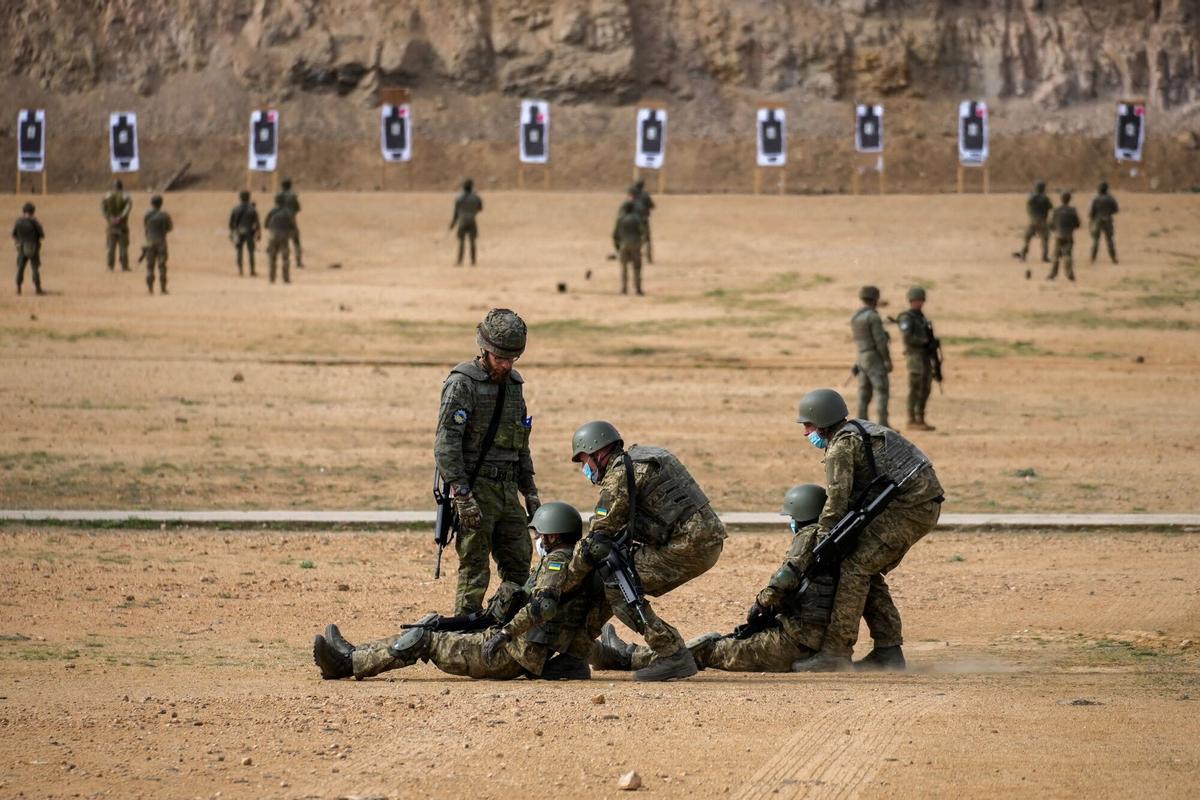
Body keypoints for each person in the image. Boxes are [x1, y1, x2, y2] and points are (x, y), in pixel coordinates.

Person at [313, 502, 604, 681]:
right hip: (511, 647)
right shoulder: (567, 564)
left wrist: (504, 634)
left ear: (553, 535)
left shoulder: (557, 565)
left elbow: (544, 608)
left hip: (508, 654)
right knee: (428, 624)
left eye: (540, 534)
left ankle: (347, 664)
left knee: (423, 639)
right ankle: (356, 653)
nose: (538, 539)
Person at [594, 484, 837, 673]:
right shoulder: (827, 547)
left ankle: (625, 657)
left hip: (791, 644)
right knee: (721, 640)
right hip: (801, 637)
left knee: (707, 648)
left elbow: (785, 578)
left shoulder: (809, 537)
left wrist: (762, 603)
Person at [561, 420, 727, 681]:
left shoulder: (619, 476)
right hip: (701, 539)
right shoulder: (639, 458)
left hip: (689, 545)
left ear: (599, 452)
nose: (585, 469)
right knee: (611, 570)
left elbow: (598, 538)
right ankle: (576, 653)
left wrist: (563, 581)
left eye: (585, 461)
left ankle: (672, 654)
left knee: (618, 581)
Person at [791, 388, 944, 672]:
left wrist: (821, 544)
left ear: (822, 421)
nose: (805, 433)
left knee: (854, 567)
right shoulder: (855, 431)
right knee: (863, 564)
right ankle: (888, 650)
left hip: (912, 507)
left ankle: (836, 653)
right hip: (912, 502)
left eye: (808, 425)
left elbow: (836, 503)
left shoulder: (841, 447)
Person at [434, 308, 539, 615]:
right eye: (500, 358)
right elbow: (446, 443)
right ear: (486, 350)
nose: (505, 365)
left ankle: (507, 626)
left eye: (511, 359)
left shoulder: (514, 385)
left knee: (521, 562)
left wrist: (530, 491)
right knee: (474, 567)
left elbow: (521, 444)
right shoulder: (462, 383)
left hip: (507, 489)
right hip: (476, 490)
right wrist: (462, 495)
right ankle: (464, 635)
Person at [850, 285, 892, 428]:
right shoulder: (873, 316)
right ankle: (883, 424)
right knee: (881, 389)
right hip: (873, 357)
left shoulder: (856, 317)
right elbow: (880, 342)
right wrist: (887, 360)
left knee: (863, 392)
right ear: (875, 299)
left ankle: (861, 424)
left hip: (861, 356)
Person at [896, 286, 937, 431]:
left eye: (921, 300)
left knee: (926, 388)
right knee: (915, 387)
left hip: (925, 357)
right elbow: (908, 338)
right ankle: (911, 419)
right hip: (915, 357)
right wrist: (924, 341)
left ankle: (920, 418)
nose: (919, 303)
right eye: (916, 300)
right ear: (911, 301)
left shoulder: (921, 317)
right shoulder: (907, 318)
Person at [612, 200, 648, 295]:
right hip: (635, 244)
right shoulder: (636, 218)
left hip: (623, 244)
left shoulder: (620, 219)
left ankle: (624, 289)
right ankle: (638, 289)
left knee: (624, 268)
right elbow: (643, 231)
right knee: (637, 267)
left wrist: (617, 246)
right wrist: (641, 243)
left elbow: (615, 234)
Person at [1014, 180, 1053, 263]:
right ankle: (1044, 257)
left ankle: (1023, 256)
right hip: (1043, 221)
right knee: (1045, 240)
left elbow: (1029, 205)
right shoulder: (1045, 198)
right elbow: (1050, 207)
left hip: (1032, 221)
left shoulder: (1031, 198)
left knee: (1027, 240)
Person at [12, 202, 45, 296]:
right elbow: (42, 235)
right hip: (33, 248)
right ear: (33, 211)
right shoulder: (34, 222)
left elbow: (14, 234)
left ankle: (18, 288)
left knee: (20, 268)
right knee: (35, 269)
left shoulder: (18, 221)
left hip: (21, 248)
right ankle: (38, 289)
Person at [142, 195, 173, 295]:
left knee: (150, 266)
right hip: (161, 242)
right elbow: (170, 227)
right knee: (162, 265)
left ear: (152, 203)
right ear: (161, 203)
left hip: (150, 242)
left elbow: (145, 226)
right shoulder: (165, 215)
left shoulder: (147, 214)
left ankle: (150, 289)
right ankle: (163, 289)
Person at [1048, 191, 1081, 282]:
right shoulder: (1072, 210)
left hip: (1058, 235)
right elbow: (1077, 224)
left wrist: (1056, 229)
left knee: (1056, 255)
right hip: (1069, 235)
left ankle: (1053, 274)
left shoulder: (1056, 210)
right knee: (1068, 255)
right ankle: (1070, 274)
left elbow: (1050, 225)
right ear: (1069, 199)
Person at [449, 179, 483, 266]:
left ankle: (460, 261)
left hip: (462, 221)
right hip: (472, 220)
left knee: (461, 242)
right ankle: (473, 261)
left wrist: (452, 224)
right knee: (472, 242)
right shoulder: (476, 197)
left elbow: (456, 213)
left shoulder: (459, 198)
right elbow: (480, 208)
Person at [101, 179, 132, 272]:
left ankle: (110, 267)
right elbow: (128, 208)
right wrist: (120, 217)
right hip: (122, 226)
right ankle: (124, 266)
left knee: (111, 247)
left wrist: (109, 218)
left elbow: (103, 209)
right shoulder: (125, 196)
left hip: (111, 226)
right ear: (121, 186)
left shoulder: (107, 196)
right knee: (123, 247)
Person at [264, 193, 296, 284]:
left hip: (273, 235)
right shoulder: (288, 212)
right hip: (284, 236)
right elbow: (292, 226)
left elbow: (266, 224)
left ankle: (272, 278)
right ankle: (286, 278)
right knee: (285, 257)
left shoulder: (272, 211)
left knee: (272, 258)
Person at [228, 190, 261, 277]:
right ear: (249, 197)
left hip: (239, 232)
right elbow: (257, 222)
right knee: (251, 252)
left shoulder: (235, 208)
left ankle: (240, 270)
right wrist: (258, 233)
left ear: (240, 197)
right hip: (249, 232)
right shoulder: (252, 209)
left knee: (239, 251)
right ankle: (252, 271)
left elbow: (231, 223)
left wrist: (232, 233)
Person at [1089, 181, 1119, 264]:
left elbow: (1091, 212)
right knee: (1110, 240)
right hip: (1108, 220)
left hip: (1097, 220)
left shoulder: (1095, 199)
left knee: (1095, 240)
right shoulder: (1111, 198)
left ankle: (1092, 258)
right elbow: (1116, 209)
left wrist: (1092, 220)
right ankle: (1113, 258)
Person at [629, 179, 655, 263]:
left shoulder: (633, 194)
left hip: (633, 220)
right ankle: (649, 258)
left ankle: (632, 256)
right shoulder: (645, 195)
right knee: (647, 239)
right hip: (643, 219)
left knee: (633, 237)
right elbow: (652, 205)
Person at [279, 178, 303, 268]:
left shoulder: (279, 196)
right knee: (296, 241)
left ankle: (285, 260)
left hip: (281, 220)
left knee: (284, 242)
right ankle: (298, 261)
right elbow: (298, 208)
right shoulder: (293, 196)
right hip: (291, 220)